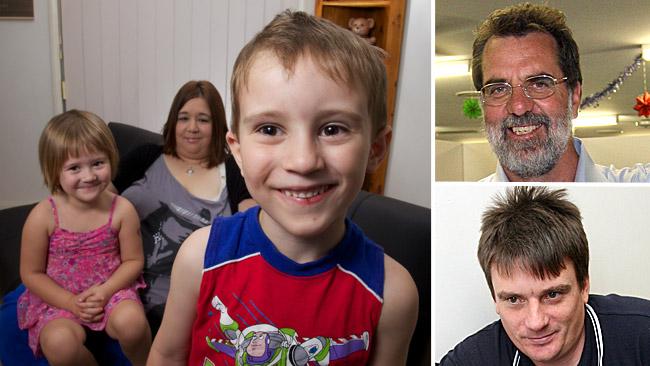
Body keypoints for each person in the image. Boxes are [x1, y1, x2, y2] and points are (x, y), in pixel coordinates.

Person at [147, 10, 418, 365]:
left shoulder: (393, 295)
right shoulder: (199, 258)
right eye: (270, 129)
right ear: (238, 151)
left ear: (376, 149)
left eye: (333, 129)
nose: (303, 161)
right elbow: (167, 356)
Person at [440, 186, 650, 365]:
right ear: (495, 299)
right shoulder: (474, 358)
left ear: (584, 286)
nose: (536, 322)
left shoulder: (642, 335)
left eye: (552, 295)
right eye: (514, 299)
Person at [119, 80, 255, 335]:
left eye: (203, 120)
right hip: (131, 285)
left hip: (199, 294)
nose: (192, 128)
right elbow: (96, 200)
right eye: (184, 118)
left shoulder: (232, 169)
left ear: (217, 127)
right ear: (173, 122)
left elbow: (254, 223)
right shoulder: (145, 157)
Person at [17, 110, 151, 365]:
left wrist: (105, 291)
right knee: (59, 345)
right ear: (54, 170)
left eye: (98, 163)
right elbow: (31, 273)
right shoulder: (43, 215)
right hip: (58, 300)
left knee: (132, 324)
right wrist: (69, 301)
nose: (88, 176)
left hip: (110, 291)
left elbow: (133, 261)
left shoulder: (121, 209)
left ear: (111, 160)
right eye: (74, 168)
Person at [472, 3, 650, 182]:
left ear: (574, 97)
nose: (518, 106)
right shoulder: (457, 209)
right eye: (498, 89)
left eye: (539, 84)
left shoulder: (641, 198)